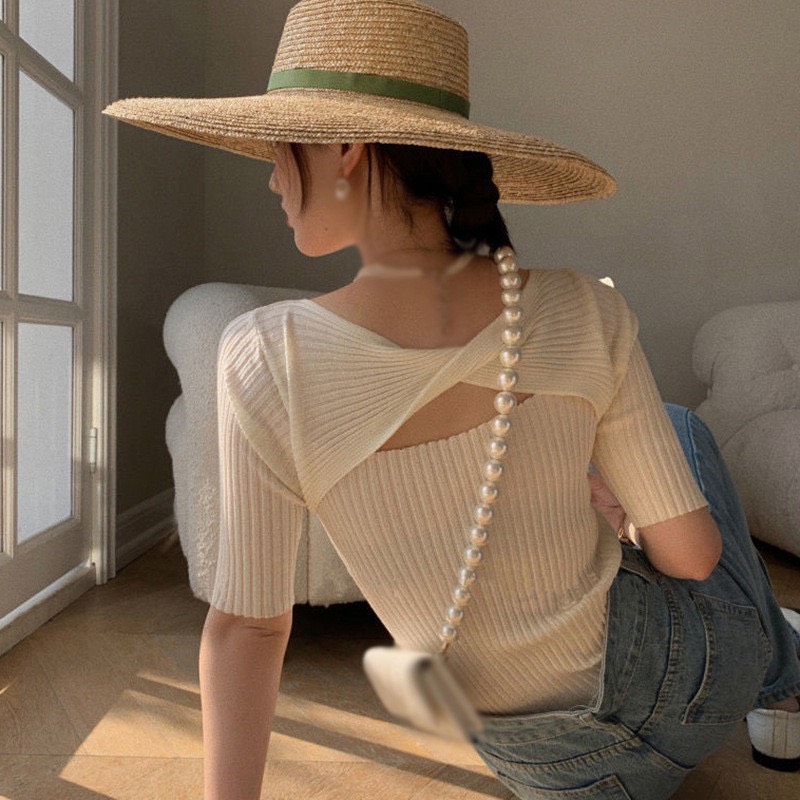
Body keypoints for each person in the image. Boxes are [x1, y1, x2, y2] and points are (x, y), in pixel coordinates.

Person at [101, 1, 800, 797]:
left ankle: (774, 656)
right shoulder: (582, 307)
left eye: (278, 148)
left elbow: (248, 630)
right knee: (682, 430)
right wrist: (622, 517)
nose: (270, 176)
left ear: (343, 148)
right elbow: (693, 559)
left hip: (548, 766)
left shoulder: (264, 355)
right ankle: (783, 676)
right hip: (691, 689)